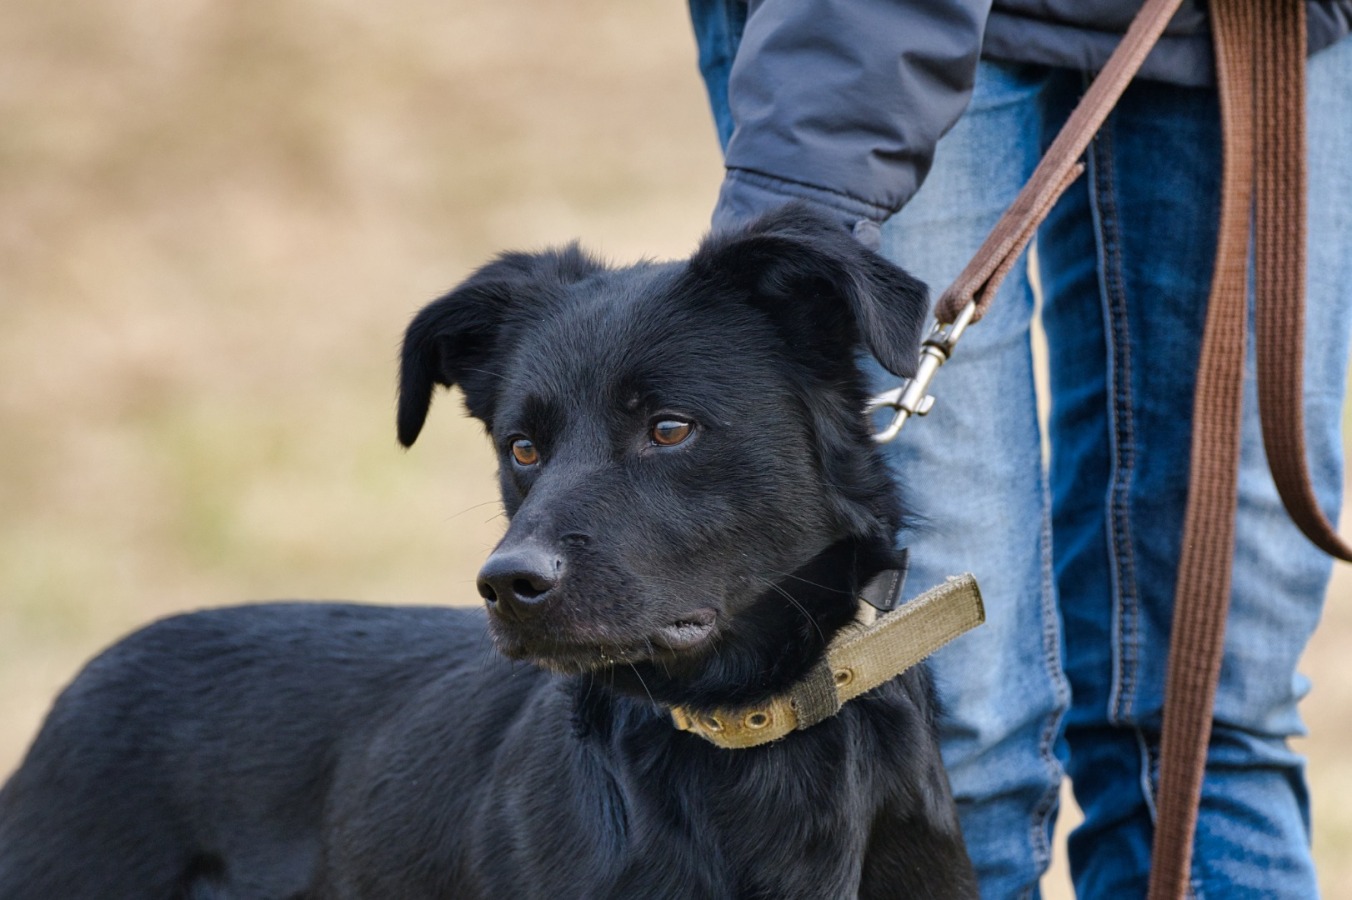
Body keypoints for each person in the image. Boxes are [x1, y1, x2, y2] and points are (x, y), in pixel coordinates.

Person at [686, 1, 1352, 896]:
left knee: (1218, 724)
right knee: (958, 738)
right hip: (881, 25)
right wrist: (784, 243)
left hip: (1254, 23)